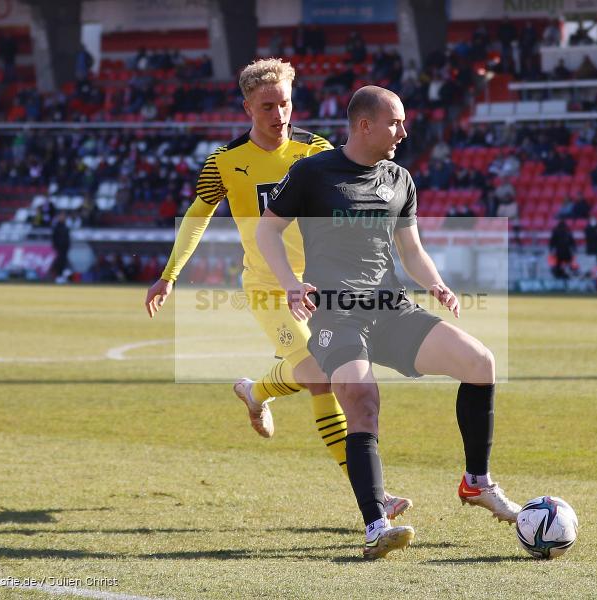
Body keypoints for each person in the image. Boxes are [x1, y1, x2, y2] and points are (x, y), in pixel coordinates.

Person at [257, 86, 520, 559]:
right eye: (395, 122)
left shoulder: (400, 178)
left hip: (391, 309)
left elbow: (411, 248)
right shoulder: (313, 172)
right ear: (364, 125)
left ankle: (476, 482)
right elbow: (267, 229)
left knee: (480, 362)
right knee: (362, 399)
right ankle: (376, 523)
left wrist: (436, 284)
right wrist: (290, 282)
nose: (403, 130)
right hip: (335, 312)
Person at [143, 59, 412, 519]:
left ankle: (257, 392)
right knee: (322, 380)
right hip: (271, 288)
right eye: (267, 106)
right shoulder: (225, 163)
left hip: (326, 287)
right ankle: (375, 498)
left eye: (285, 103)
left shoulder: (318, 150)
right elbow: (197, 216)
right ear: (247, 106)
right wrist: (169, 274)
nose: (279, 114)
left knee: (332, 380)